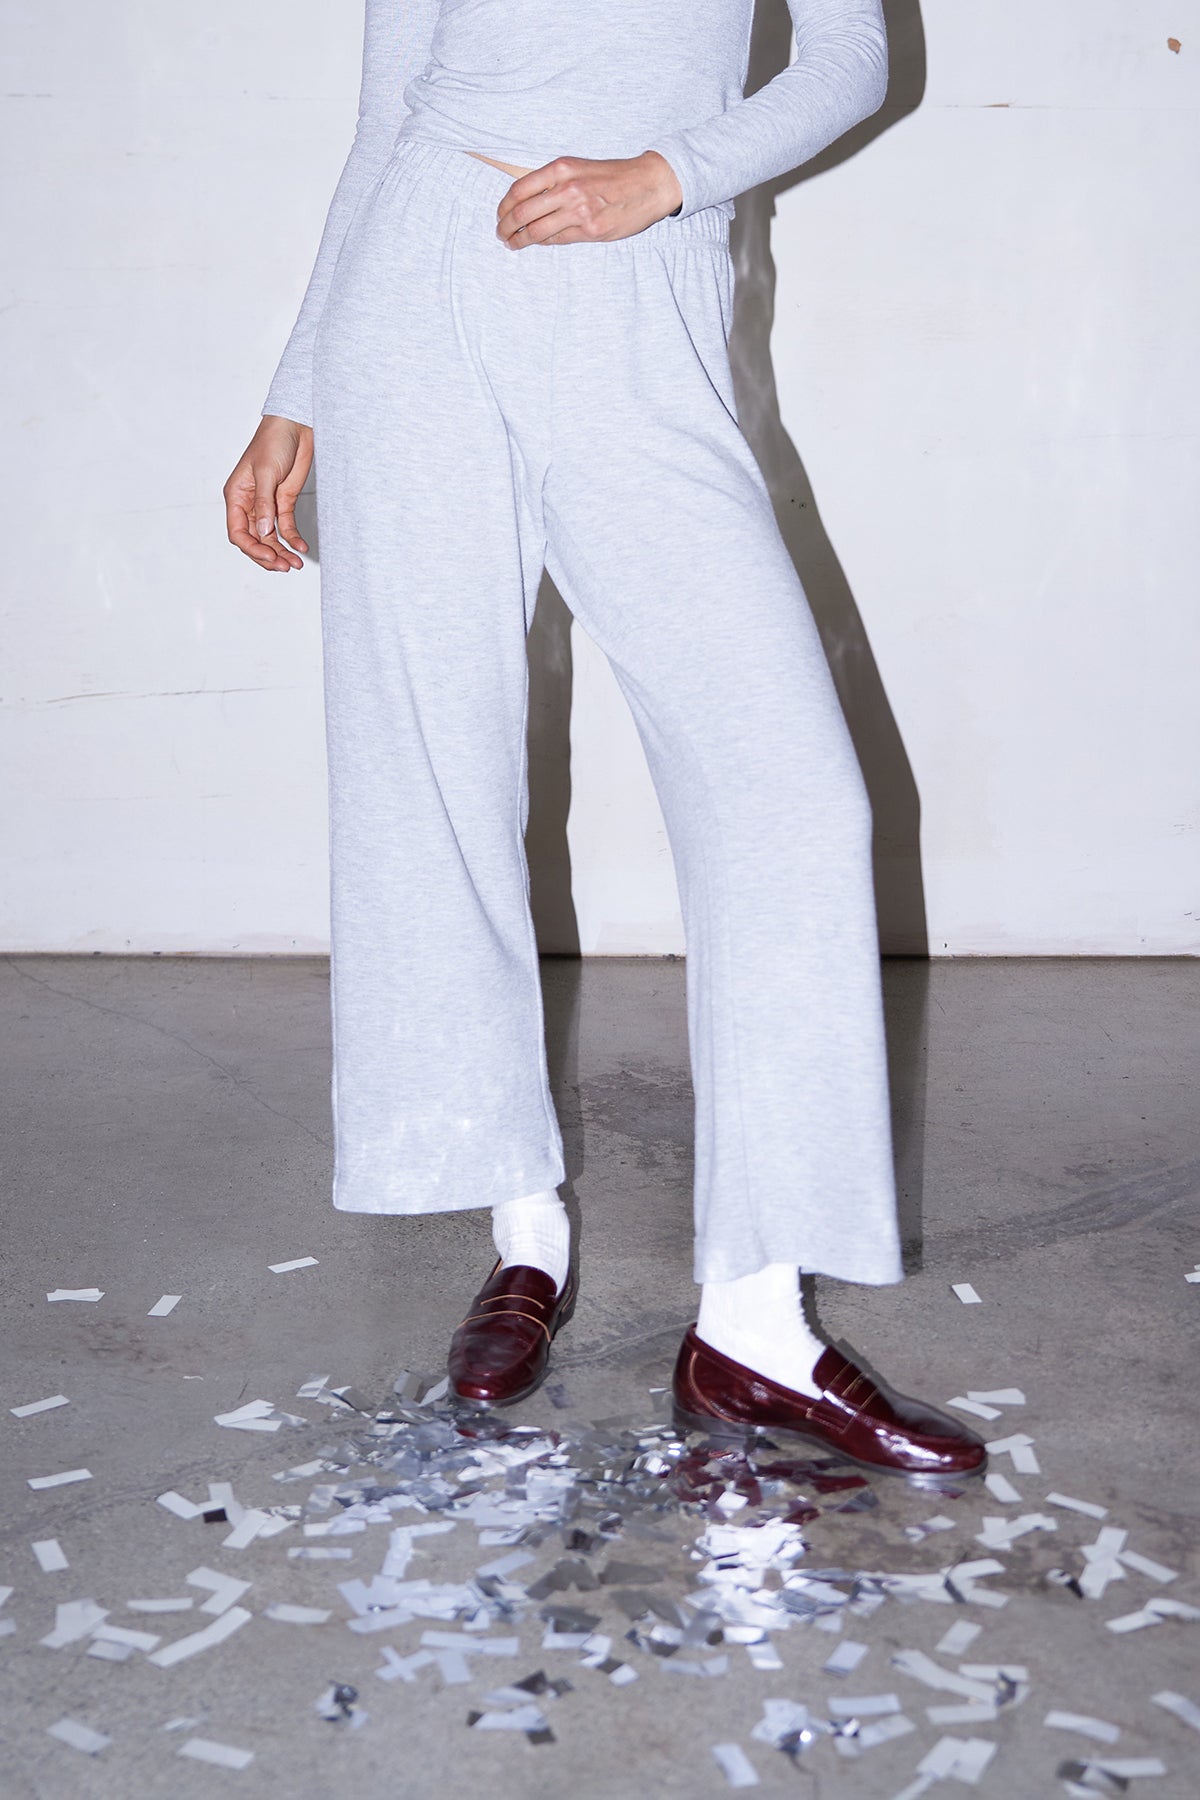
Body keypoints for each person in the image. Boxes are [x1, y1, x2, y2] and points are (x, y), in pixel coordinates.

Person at [223, 1, 985, 1483]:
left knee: (793, 801)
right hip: (416, 301)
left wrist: (669, 175)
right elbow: (387, 115)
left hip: (640, 298)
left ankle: (756, 1323)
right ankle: (520, 1229)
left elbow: (851, 58)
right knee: (429, 775)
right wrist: (296, 388)